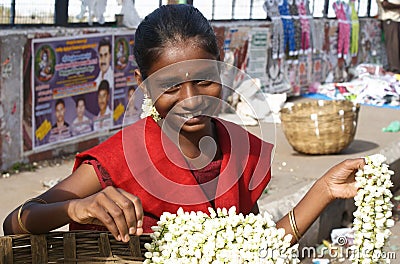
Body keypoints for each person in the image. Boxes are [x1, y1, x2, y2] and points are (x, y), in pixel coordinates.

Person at [3, 5, 365, 247]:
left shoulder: (239, 150)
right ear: (143, 85)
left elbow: (256, 249)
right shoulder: (119, 160)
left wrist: (323, 191)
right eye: (171, 86)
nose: (191, 100)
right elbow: (15, 224)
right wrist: (74, 208)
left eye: (205, 81)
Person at [377, 0, 400, 73]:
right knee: (393, 47)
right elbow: (385, 4)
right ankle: (394, 71)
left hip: (398, 20)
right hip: (390, 19)